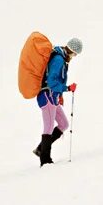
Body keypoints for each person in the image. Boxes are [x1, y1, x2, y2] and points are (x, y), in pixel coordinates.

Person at [34, 38, 82, 166]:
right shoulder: (59, 60)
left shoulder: (60, 58)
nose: (75, 56)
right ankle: (45, 160)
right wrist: (66, 88)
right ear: (72, 50)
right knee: (48, 127)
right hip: (47, 95)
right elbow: (52, 82)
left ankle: (40, 148)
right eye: (76, 53)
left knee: (63, 124)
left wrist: (60, 93)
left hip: (53, 96)